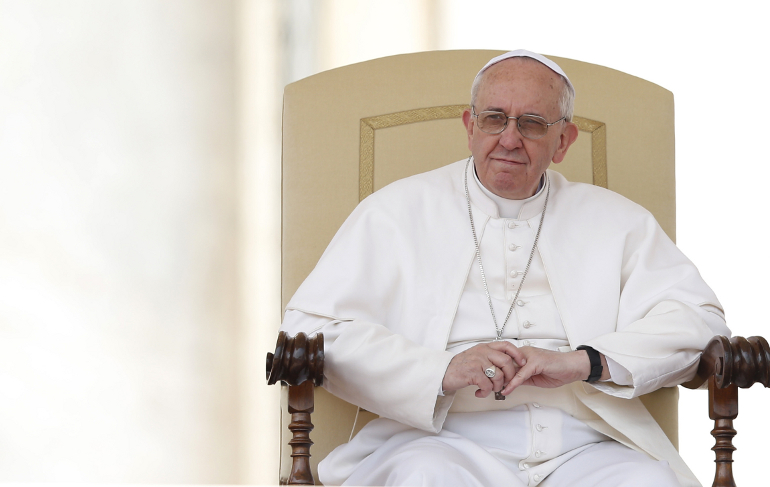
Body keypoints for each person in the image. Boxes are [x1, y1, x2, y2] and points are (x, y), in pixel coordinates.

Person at [280, 50, 728, 487]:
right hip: (440, 441)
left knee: (646, 480)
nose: (509, 139)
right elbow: (312, 330)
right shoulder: (395, 213)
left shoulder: (617, 221)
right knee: (425, 477)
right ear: (469, 126)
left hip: (584, 445)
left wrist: (585, 361)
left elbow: (700, 321)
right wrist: (439, 370)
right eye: (494, 118)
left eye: (532, 124)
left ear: (564, 142)